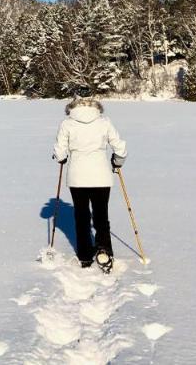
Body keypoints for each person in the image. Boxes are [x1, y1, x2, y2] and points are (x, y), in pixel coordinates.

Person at [52, 97, 127, 272]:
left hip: (78, 177)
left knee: (81, 216)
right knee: (101, 216)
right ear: (95, 104)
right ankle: (104, 250)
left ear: (73, 104)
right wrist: (117, 162)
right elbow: (120, 148)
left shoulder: (67, 123)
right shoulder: (104, 122)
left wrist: (61, 158)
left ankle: (85, 255)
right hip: (101, 176)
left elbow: (60, 152)